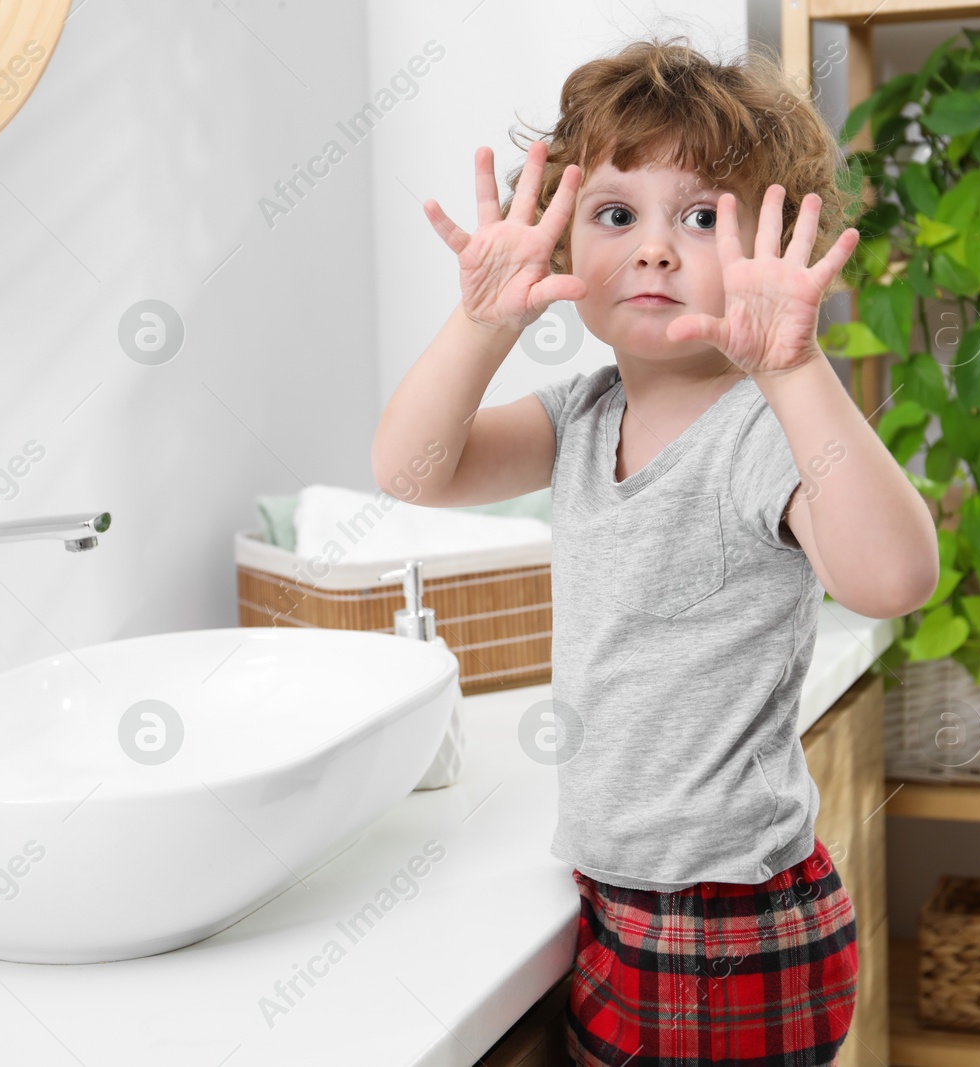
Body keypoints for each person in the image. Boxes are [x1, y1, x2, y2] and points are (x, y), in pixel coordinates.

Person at [369, 36, 940, 1066]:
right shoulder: (583, 414)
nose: (655, 249)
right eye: (616, 215)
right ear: (559, 246)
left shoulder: (758, 429)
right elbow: (414, 470)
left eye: (702, 217)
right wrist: (480, 323)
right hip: (622, 896)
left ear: (776, 243)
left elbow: (890, 577)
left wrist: (797, 368)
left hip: (725, 919)